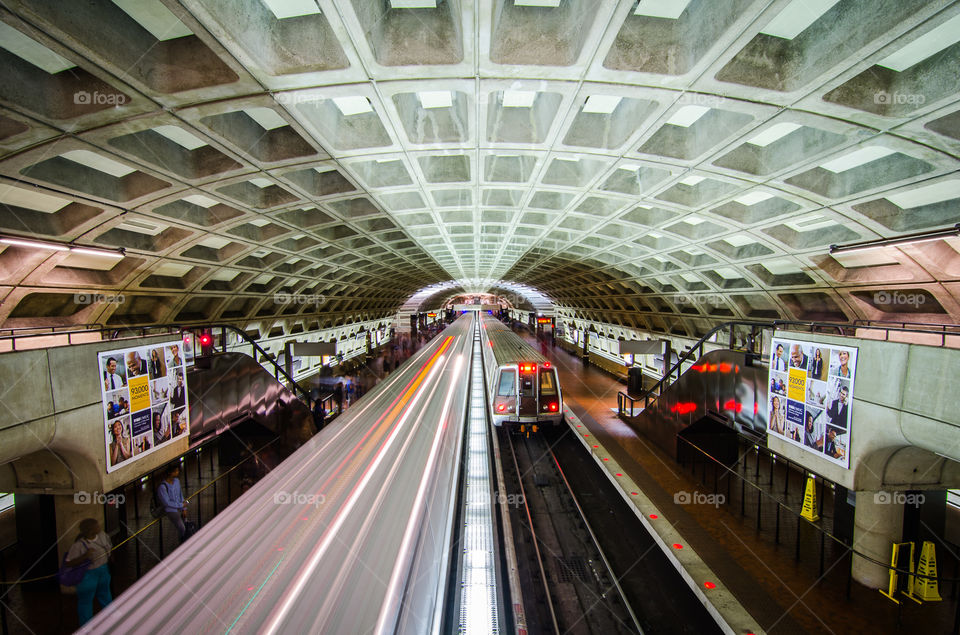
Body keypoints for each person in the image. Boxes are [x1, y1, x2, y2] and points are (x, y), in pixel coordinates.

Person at [64, 518, 112, 626]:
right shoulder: (78, 545)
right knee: (86, 600)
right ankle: (86, 626)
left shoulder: (103, 535)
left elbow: (109, 546)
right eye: (96, 526)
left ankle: (110, 618)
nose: (99, 527)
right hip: (88, 575)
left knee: (105, 594)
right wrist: (85, 556)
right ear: (90, 530)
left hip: (103, 570)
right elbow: (68, 563)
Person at [157, 464, 189, 542]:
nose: (177, 472)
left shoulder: (177, 481)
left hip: (179, 506)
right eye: (176, 471)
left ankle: (184, 540)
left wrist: (184, 508)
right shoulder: (162, 487)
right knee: (182, 527)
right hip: (170, 510)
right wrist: (181, 505)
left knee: (185, 523)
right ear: (170, 473)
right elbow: (167, 503)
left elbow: (180, 495)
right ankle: (182, 541)